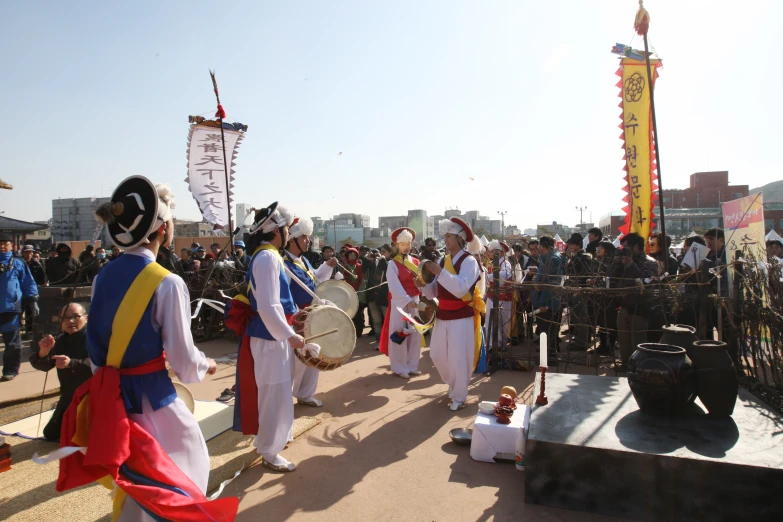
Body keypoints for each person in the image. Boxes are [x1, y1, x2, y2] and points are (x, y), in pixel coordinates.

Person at [58, 176, 232, 520]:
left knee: (134, 491)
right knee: (184, 475)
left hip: (112, 405)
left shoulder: (101, 277)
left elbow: (98, 352)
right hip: (154, 403)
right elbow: (183, 360)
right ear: (163, 229)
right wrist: (204, 364)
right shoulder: (167, 282)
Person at [233, 202, 315, 473]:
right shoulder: (267, 258)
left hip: (272, 335)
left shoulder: (267, 255)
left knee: (276, 391)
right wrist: (291, 336)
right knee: (274, 393)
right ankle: (269, 450)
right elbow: (268, 306)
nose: (289, 235)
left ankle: (272, 441)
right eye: (286, 230)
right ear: (276, 232)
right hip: (270, 337)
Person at [421, 217, 483, 411]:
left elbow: (461, 288)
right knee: (437, 355)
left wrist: (440, 272)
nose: (445, 240)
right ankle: (454, 384)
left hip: (462, 316)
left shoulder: (469, 261)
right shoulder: (442, 260)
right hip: (443, 315)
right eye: (445, 236)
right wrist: (423, 286)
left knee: (459, 357)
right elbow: (434, 291)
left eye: (449, 236)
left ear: (460, 238)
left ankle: (459, 395)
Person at [283, 217, 337, 407]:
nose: (308, 241)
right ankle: (286, 398)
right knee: (295, 361)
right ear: (293, 239)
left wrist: (326, 266)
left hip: (312, 316)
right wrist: (297, 315)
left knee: (312, 358)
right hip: (297, 317)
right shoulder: (284, 264)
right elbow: (285, 295)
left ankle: (305, 394)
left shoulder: (303, 260)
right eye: (304, 237)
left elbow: (315, 280)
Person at [29, 303, 92, 441]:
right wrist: (43, 351)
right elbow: (44, 366)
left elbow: (99, 365)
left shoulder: (95, 338)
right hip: (69, 396)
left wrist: (72, 363)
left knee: (85, 437)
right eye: (65, 318)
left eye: (75, 317)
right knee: (51, 434)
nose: (70, 321)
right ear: (60, 321)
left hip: (93, 396)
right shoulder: (60, 341)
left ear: (86, 318)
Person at [379, 228, 424, 379]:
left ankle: (412, 365)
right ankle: (399, 367)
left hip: (415, 301)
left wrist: (420, 290)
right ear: (397, 245)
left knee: (415, 334)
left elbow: (421, 283)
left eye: (408, 243)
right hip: (400, 302)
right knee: (400, 332)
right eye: (403, 243)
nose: (406, 246)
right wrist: (407, 300)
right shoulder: (393, 264)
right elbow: (394, 286)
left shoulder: (416, 262)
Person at [609, 232, 658, 366]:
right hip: (624, 305)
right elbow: (611, 278)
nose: (624, 251)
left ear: (635, 247)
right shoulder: (623, 261)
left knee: (638, 339)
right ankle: (625, 362)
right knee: (623, 338)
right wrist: (616, 262)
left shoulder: (650, 262)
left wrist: (631, 265)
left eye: (626, 248)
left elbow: (646, 282)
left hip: (640, 307)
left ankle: (638, 365)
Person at [1, 234, 39, 381]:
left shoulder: (18, 263)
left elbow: (29, 283)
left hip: (10, 308)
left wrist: (33, 301)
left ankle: (10, 370)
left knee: (12, 343)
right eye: (0, 244)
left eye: (6, 244)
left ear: (11, 246)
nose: (3, 247)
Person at [531, 236, 564, 364]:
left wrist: (544, 303)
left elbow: (550, 283)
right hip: (545, 297)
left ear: (544, 246)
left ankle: (550, 356)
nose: (538, 248)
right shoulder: (549, 258)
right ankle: (548, 353)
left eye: (539, 246)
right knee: (547, 329)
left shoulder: (553, 259)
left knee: (548, 329)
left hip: (548, 299)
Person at [564, 233, 593, 351]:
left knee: (581, 316)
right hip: (574, 289)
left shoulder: (584, 257)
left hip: (581, 289)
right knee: (576, 316)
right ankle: (579, 339)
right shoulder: (576, 256)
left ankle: (582, 342)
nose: (570, 246)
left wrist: (572, 259)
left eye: (572, 244)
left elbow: (581, 273)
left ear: (578, 244)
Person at [484, 240, 514, 350]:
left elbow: (505, 276)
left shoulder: (505, 263)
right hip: (493, 296)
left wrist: (488, 276)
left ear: (501, 252)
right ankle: (493, 346)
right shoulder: (493, 264)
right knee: (490, 321)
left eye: (496, 251)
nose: (494, 253)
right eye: (493, 251)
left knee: (503, 323)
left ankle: (501, 345)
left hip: (504, 297)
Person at [368, 245, 390, 345]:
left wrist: (382, 260)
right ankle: (379, 342)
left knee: (387, 320)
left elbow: (386, 270)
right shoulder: (371, 262)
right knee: (376, 321)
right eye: (380, 252)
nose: (381, 254)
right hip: (372, 296)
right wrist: (367, 259)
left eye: (384, 252)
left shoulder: (390, 263)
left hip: (383, 297)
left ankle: (388, 342)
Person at [342, 247, 365, 336]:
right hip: (347, 293)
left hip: (358, 293)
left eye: (354, 255)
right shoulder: (343, 267)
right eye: (350, 255)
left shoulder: (359, 266)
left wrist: (357, 291)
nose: (352, 257)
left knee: (359, 313)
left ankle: (359, 331)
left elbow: (361, 279)